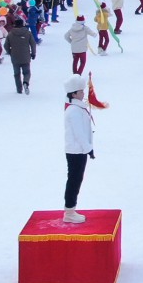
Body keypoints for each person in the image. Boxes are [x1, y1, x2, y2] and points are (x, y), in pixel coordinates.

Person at [63, 75, 94, 223]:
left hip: (79, 150)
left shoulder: (77, 108)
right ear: (74, 94)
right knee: (74, 180)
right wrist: (88, 148)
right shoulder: (74, 111)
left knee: (77, 179)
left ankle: (71, 209)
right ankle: (69, 211)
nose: (83, 93)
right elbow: (79, 132)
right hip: (76, 151)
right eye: (81, 91)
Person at [5, 19, 37, 95]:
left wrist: (10, 52)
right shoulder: (27, 33)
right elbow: (33, 44)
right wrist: (33, 53)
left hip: (15, 56)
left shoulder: (10, 33)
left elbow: (6, 45)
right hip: (25, 55)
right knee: (26, 72)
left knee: (16, 73)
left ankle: (19, 89)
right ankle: (26, 82)